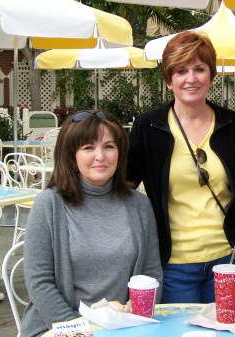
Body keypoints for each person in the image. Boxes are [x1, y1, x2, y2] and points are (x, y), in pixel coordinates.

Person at [127, 31, 235, 304]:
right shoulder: (149, 127)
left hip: (229, 259)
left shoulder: (232, 124)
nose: (191, 78)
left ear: (211, 76)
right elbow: (125, 186)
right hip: (173, 264)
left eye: (199, 69)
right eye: (181, 71)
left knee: (229, 332)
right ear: (169, 80)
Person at [21, 111, 162, 337]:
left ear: (120, 153)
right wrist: (79, 331)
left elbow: (151, 273)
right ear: (71, 155)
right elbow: (39, 282)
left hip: (123, 328)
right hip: (59, 327)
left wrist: (135, 317)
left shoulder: (139, 205)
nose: (100, 156)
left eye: (109, 146)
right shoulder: (49, 204)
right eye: (88, 147)